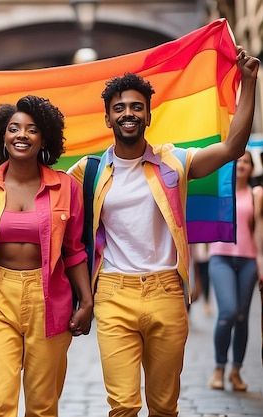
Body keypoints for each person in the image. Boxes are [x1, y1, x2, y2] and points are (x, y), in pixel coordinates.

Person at [68, 47, 259, 416]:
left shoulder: (175, 162)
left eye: (136, 107)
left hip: (166, 292)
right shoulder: (87, 171)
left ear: (148, 115)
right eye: (120, 108)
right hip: (112, 294)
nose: (128, 113)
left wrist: (248, 82)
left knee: (164, 406)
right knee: (122, 405)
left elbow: (234, 146)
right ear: (108, 118)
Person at [0, 95, 93, 417]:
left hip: (50, 297)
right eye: (13, 128)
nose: (22, 135)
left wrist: (86, 302)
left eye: (31, 129)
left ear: (44, 137)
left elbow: (74, 250)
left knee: (43, 406)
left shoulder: (66, 187)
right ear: (2, 136)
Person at [208, 150, 261, 391]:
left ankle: (236, 371)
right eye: (237, 160)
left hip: (248, 260)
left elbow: (258, 231)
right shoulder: (220, 191)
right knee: (228, 312)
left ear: (252, 168)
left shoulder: (256, 194)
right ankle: (219, 368)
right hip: (220, 257)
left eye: (246, 162)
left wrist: (261, 263)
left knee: (242, 317)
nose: (241, 165)